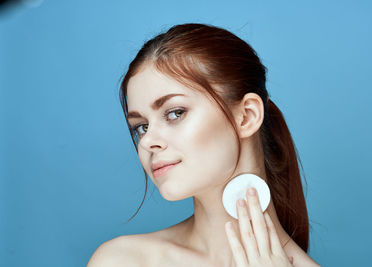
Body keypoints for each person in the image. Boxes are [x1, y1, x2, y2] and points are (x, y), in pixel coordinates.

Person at [87, 23, 321, 267]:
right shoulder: (121, 261)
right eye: (141, 127)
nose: (147, 141)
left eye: (175, 113)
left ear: (247, 116)